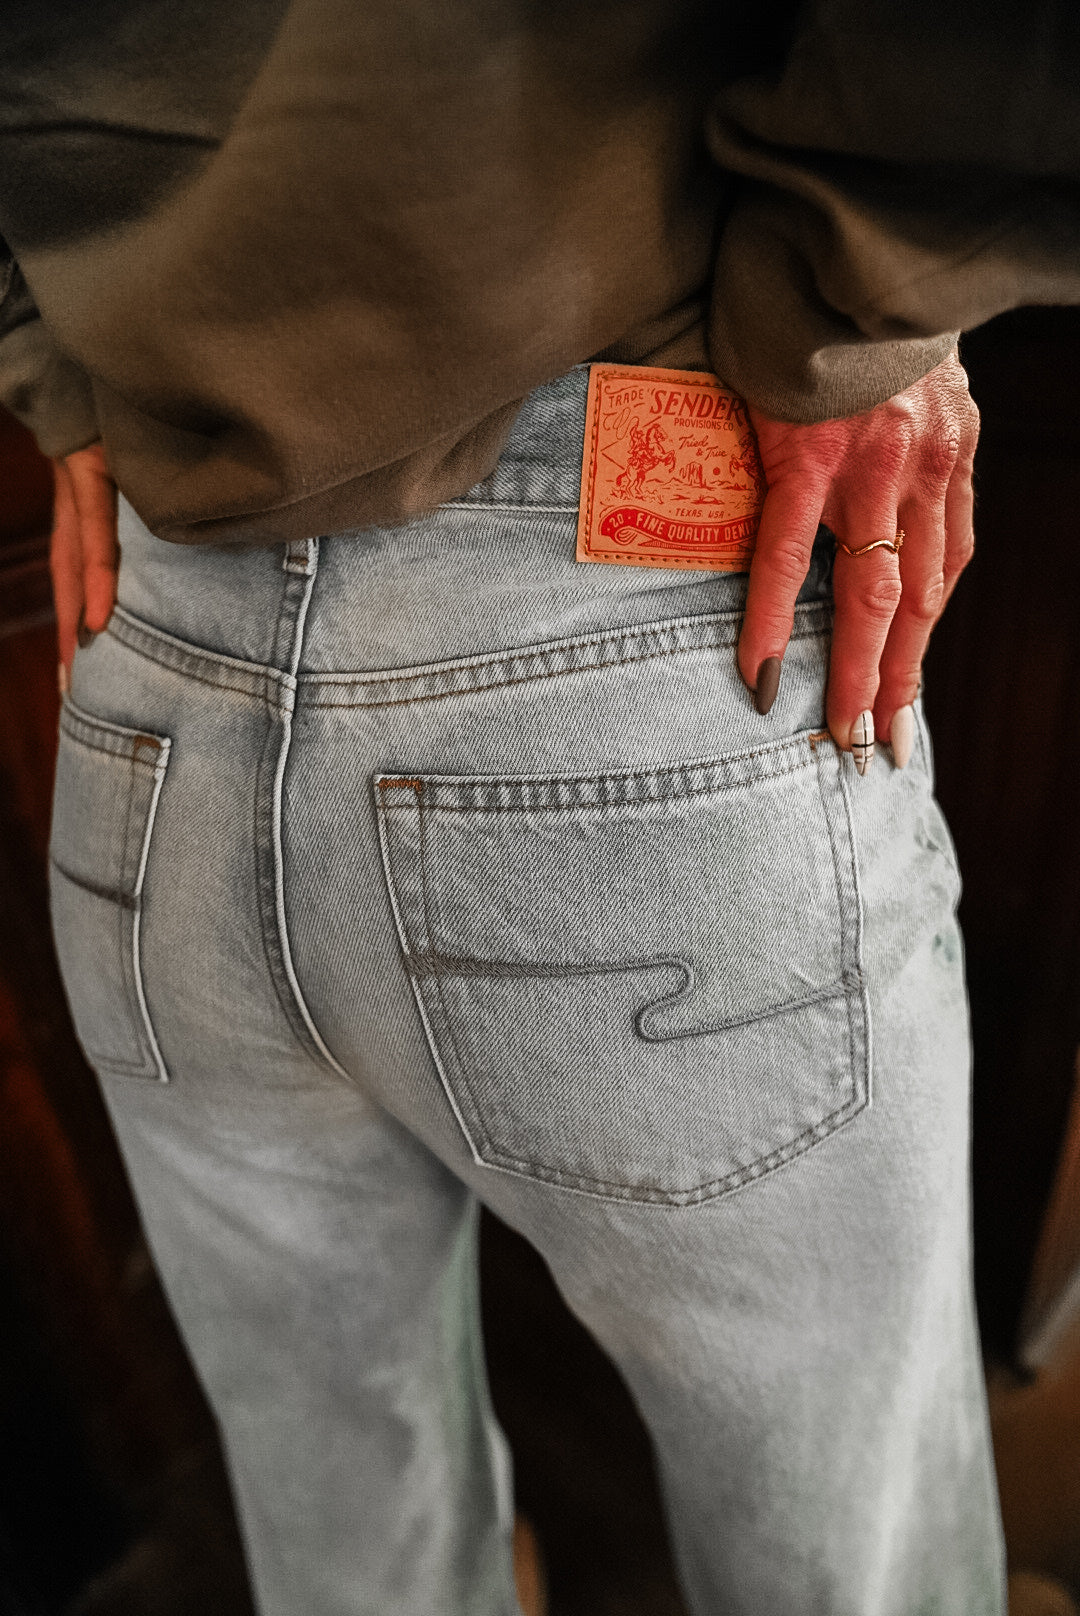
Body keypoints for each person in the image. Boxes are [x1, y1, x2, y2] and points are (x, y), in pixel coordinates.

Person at [4, 2, 1080, 1612]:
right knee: (849, 1567)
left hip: (152, 666)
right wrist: (872, 286)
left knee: (344, 1553)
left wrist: (43, 357)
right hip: (636, 620)